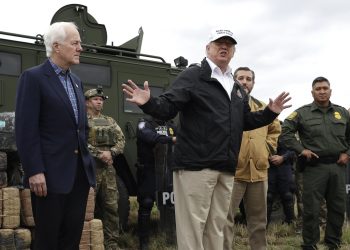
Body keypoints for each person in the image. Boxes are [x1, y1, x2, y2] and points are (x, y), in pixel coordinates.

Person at [122, 28, 291, 250]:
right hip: (196, 167)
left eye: (228, 44)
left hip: (226, 169)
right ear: (208, 48)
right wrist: (148, 102)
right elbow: (167, 107)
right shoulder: (194, 75)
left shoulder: (236, 86)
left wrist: (270, 112)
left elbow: (244, 121)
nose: (224, 47)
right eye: (218, 43)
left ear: (233, 51)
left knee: (217, 229)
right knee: (193, 230)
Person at [15, 22, 96, 250]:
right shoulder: (33, 78)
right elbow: (25, 128)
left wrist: (88, 168)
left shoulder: (77, 82)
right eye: (75, 43)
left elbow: (80, 128)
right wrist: (34, 170)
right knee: (48, 241)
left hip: (78, 177)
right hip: (48, 178)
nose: (81, 47)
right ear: (57, 47)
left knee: (71, 241)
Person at [280, 76, 350, 250]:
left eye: (325, 88)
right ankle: (310, 244)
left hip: (338, 166)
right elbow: (285, 132)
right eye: (318, 89)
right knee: (311, 209)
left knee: (337, 207)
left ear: (330, 90)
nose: (322, 91)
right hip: (313, 168)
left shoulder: (342, 113)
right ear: (312, 92)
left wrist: (347, 152)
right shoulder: (302, 113)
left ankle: (333, 243)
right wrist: (300, 150)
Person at [223, 67, 281, 250]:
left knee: (258, 220)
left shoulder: (265, 108)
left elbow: (275, 131)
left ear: (253, 83)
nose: (245, 81)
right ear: (233, 81)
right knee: (225, 219)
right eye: (240, 78)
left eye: (249, 79)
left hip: (259, 171)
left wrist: (266, 150)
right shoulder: (224, 105)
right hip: (232, 171)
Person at [85, 87, 125, 250]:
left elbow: (121, 140)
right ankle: (86, 241)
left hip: (108, 171)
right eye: (95, 99)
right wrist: (98, 153)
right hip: (88, 169)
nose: (99, 101)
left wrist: (111, 152)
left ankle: (111, 243)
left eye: (101, 99)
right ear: (87, 102)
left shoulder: (110, 121)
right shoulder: (82, 121)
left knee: (111, 207)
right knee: (87, 208)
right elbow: (78, 141)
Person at [136, 116, 176, 250]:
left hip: (168, 172)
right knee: (146, 203)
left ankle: (171, 238)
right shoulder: (144, 123)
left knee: (170, 204)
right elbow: (148, 136)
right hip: (148, 170)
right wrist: (170, 139)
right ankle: (144, 243)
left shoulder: (170, 125)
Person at [267, 127, 296, 225]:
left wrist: (283, 157)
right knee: (268, 196)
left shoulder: (287, 132)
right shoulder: (263, 130)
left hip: (284, 166)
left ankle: (291, 222)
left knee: (287, 195)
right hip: (268, 167)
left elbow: (294, 150)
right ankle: (264, 224)